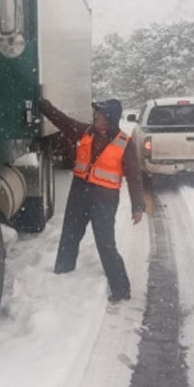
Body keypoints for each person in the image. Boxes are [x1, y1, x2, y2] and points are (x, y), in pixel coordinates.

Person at [39, 97, 147, 303]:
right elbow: (61, 119)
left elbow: (134, 176)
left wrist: (138, 206)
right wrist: (42, 103)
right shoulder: (85, 131)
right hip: (79, 192)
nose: (96, 115)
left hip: (105, 198)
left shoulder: (125, 142)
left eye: (100, 113)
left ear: (109, 119)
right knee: (70, 235)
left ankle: (121, 289)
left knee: (105, 243)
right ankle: (63, 274)